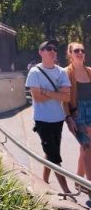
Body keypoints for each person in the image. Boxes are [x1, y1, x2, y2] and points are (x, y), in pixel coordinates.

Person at [26, 39, 76, 197]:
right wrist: (57, 94)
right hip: (42, 120)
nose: (53, 51)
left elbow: (67, 97)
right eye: (48, 49)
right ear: (41, 52)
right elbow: (37, 97)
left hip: (58, 119)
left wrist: (46, 92)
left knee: (51, 151)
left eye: (54, 49)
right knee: (54, 155)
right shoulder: (35, 72)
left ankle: (44, 182)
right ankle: (66, 191)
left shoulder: (61, 72)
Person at [64, 42, 91, 195]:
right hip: (77, 112)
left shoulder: (89, 71)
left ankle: (78, 180)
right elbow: (64, 99)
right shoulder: (67, 73)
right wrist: (69, 117)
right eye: (76, 51)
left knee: (85, 148)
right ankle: (89, 186)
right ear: (70, 54)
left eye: (82, 50)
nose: (80, 53)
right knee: (87, 147)